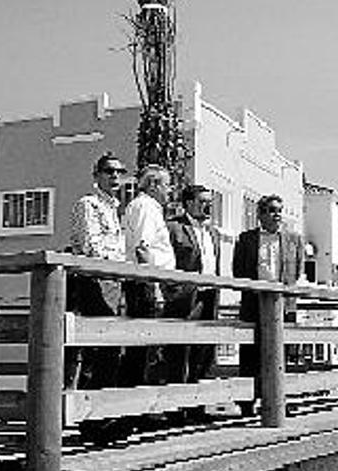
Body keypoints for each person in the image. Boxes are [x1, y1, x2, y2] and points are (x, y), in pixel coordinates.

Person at [232, 194, 304, 416]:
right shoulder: (246, 239)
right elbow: (239, 271)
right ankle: (246, 403)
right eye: (272, 210)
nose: (277, 214)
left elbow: (298, 270)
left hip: (283, 303)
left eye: (279, 210)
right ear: (261, 214)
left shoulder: (294, 239)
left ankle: (279, 401)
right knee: (251, 353)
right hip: (254, 302)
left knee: (282, 353)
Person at [65, 153, 127, 390]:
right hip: (93, 281)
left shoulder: (114, 209)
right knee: (95, 347)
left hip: (113, 282)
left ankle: (103, 414)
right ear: (96, 175)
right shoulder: (88, 204)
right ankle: (90, 418)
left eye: (119, 172)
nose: (114, 176)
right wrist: (120, 264)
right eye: (109, 171)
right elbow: (91, 248)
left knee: (111, 348)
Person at [121, 164, 176, 387]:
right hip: (145, 284)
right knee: (143, 348)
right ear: (154, 185)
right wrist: (154, 285)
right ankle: (134, 410)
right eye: (167, 185)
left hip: (147, 283)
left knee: (147, 348)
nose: (170, 191)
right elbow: (142, 248)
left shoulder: (147, 207)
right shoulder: (145, 207)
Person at [164, 185, 221, 387]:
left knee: (204, 350)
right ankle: (176, 408)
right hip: (184, 296)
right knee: (179, 351)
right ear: (188, 203)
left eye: (209, 202)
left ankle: (197, 403)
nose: (208, 206)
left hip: (209, 295)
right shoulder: (173, 227)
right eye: (202, 201)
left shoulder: (212, 232)